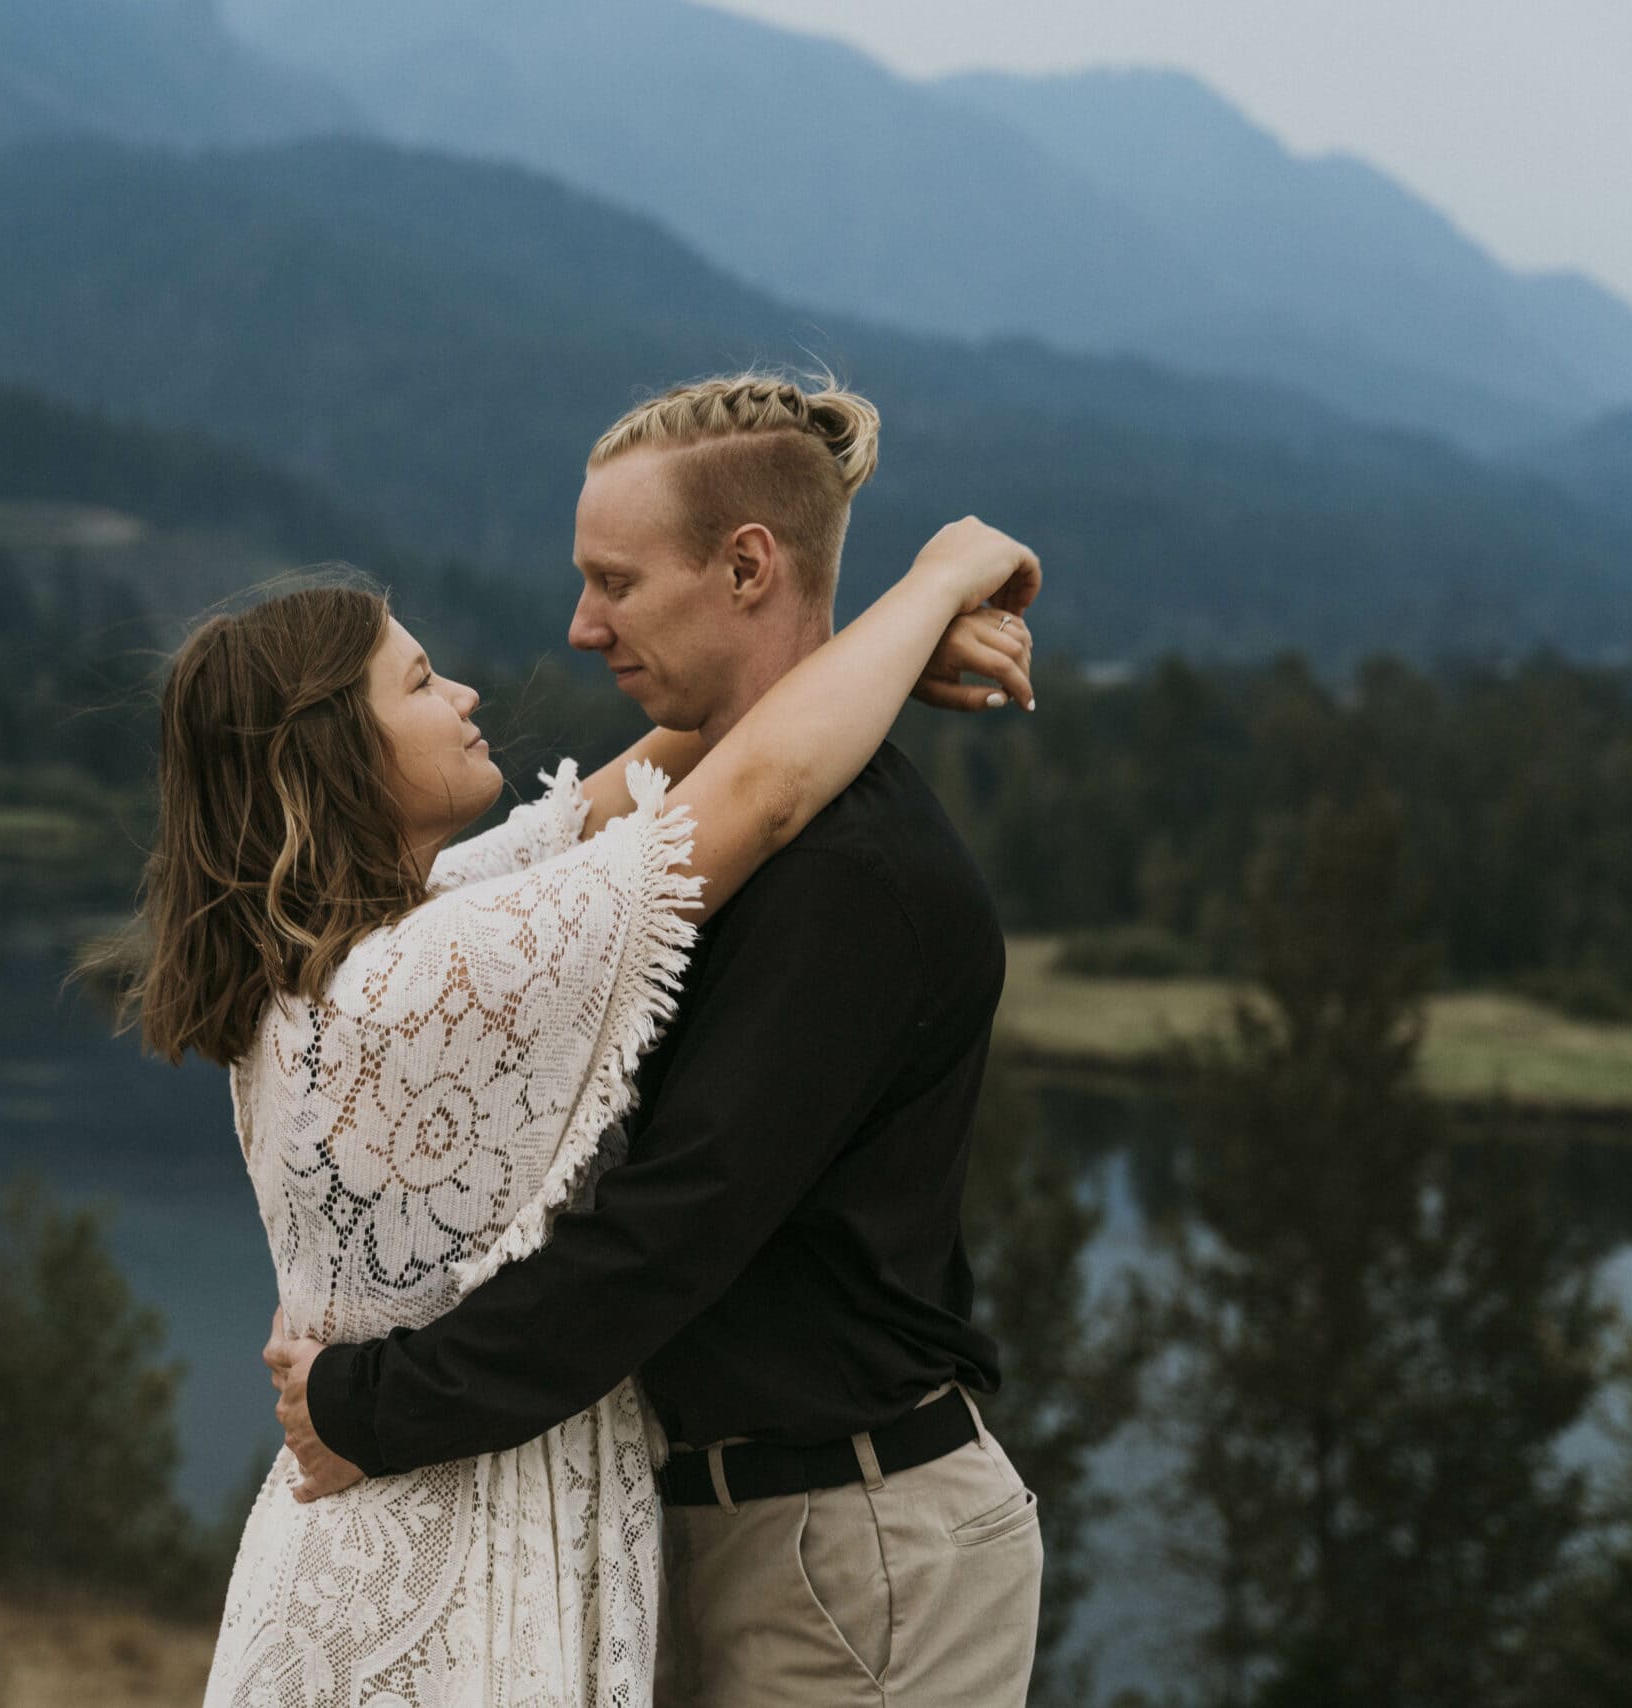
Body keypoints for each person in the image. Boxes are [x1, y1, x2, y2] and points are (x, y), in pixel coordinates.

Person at [264, 374, 1046, 1707]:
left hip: (847, 1545)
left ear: (746, 567)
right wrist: (919, 610)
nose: (580, 628)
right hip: (754, 1527)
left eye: (615, 582)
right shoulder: (683, 849)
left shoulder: (849, 874)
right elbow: (731, 769)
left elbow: (666, 1230)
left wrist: (372, 1406)